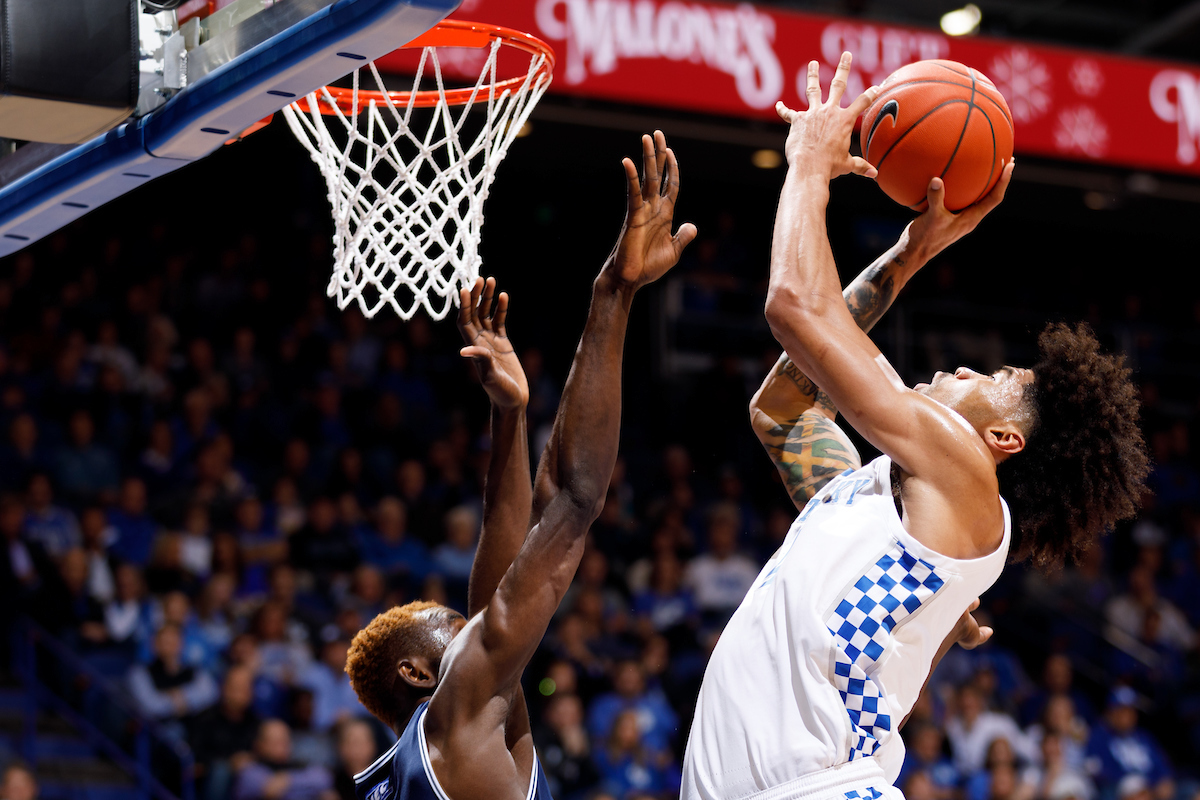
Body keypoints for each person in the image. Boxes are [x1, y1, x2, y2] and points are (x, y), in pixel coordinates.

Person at [681, 52, 1148, 800]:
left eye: (992, 381)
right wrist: (914, 249)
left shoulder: (964, 477)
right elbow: (783, 410)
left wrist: (808, 165)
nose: (965, 371)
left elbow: (795, 307)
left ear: (1002, 442)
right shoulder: (883, 503)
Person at [345, 131, 695, 800]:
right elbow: (574, 497)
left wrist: (509, 418)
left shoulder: (435, 755)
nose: (480, 628)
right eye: (461, 631)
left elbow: (502, 577)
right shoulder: (458, 716)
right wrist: (613, 293)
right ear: (422, 675)